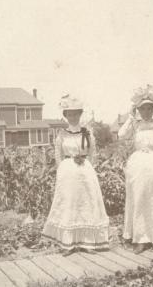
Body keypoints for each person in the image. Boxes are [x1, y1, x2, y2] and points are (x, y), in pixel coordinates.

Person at [43, 94, 109, 256]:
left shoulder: (87, 133)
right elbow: (58, 154)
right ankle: (68, 243)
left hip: (85, 171)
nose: (73, 117)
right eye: (69, 114)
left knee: (86, 202)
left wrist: (87, 167)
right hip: (67, 171)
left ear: (80, 114)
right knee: (69, 203)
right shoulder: (62, 134)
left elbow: (93, 153)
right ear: (65, 116)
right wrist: (62, 171)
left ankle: (87, 242)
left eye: (76, 114)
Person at [118, 85, 153, 254]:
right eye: (143, 109)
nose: (146, 112)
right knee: (140, 198)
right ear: (138, 110)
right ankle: (141, 239)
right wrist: (130, 116)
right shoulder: (135, 126)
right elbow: (121, 135)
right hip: (138, 167)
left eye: (149, 108)